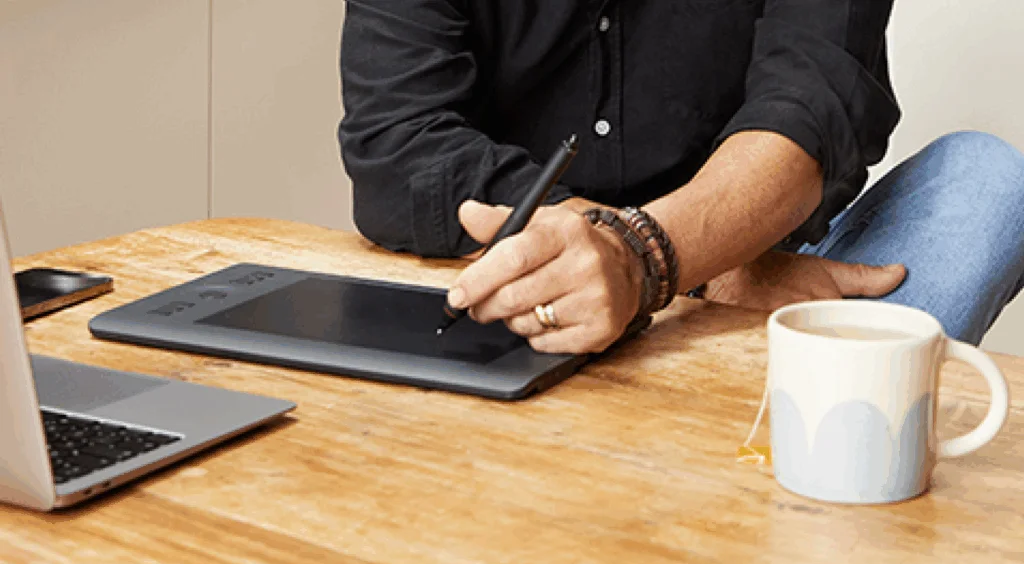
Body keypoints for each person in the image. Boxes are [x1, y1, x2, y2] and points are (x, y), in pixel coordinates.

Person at [337, 1, 1024, 354]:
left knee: (987, 182)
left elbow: (815, 106)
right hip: (526, 290)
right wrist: (616, 259)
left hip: (765, 276)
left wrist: (664, 257)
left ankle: (813, 449)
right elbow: (399, 138)